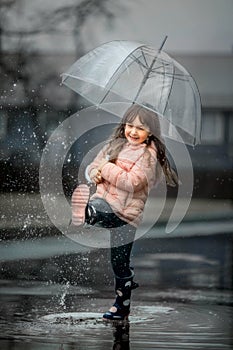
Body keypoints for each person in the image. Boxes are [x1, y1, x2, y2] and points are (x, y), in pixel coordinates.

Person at [71, 104, 178, 321]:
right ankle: (87, 211)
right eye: (130, 125)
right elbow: (93, 166)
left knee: (119, 261)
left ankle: (122, 305)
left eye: (141, 128)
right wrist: (95, 174)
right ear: (124, 125)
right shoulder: (114, 146)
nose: (133, 132)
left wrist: (107, 169)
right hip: (103, 201)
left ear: (151, 132)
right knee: (116, 256)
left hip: (125, 215)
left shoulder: (148, 156)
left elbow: (131, 182)